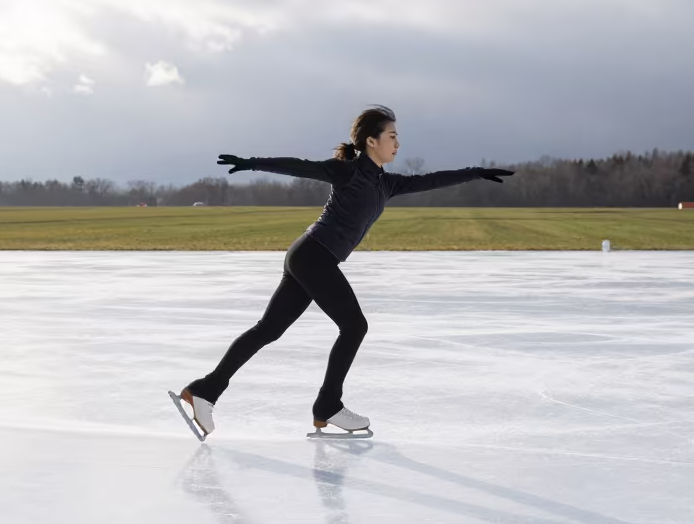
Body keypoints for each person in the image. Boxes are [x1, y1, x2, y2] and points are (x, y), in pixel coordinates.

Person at [178, 105, 514, 436]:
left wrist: (475, 172)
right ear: (371, 141)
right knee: (354, 326)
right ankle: (327, 406)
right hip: (314, 256)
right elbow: (301, 167)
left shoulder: (387, 184)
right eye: (392, 136)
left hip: (309, 256)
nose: (397, 144)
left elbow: (431, 180)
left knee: (269, 330)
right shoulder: (348, 171)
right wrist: (253, 163)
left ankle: (205, 390)